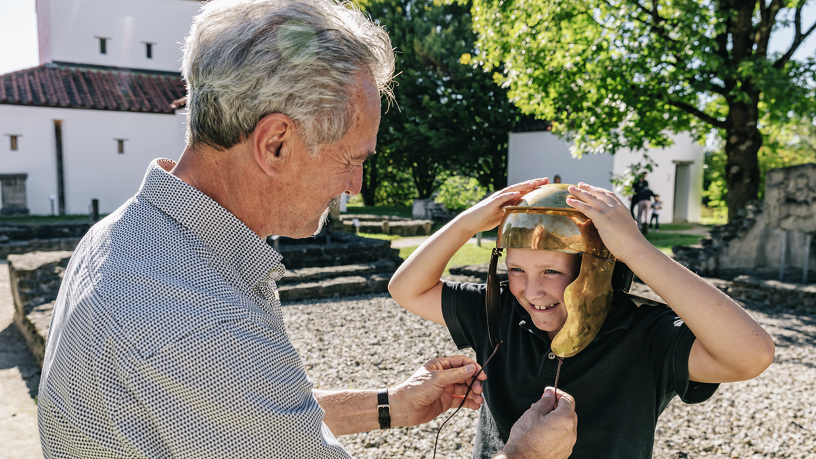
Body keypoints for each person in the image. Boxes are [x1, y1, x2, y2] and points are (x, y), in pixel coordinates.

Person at [37, 1, 577, 458]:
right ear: (275, 143)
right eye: (352, 158)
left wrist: (391, 401)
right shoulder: (194, 316)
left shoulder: (131, 236)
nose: (356, 185)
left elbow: (240, 411)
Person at [389, 179, 775, 459]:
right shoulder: (498, 309)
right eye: (517, 269)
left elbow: (751, 355)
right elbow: (406, 288)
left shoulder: (644, 335)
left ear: (596, 271)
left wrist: (636, 251)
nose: (530, 290)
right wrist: (468, 222)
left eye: (552, 272)